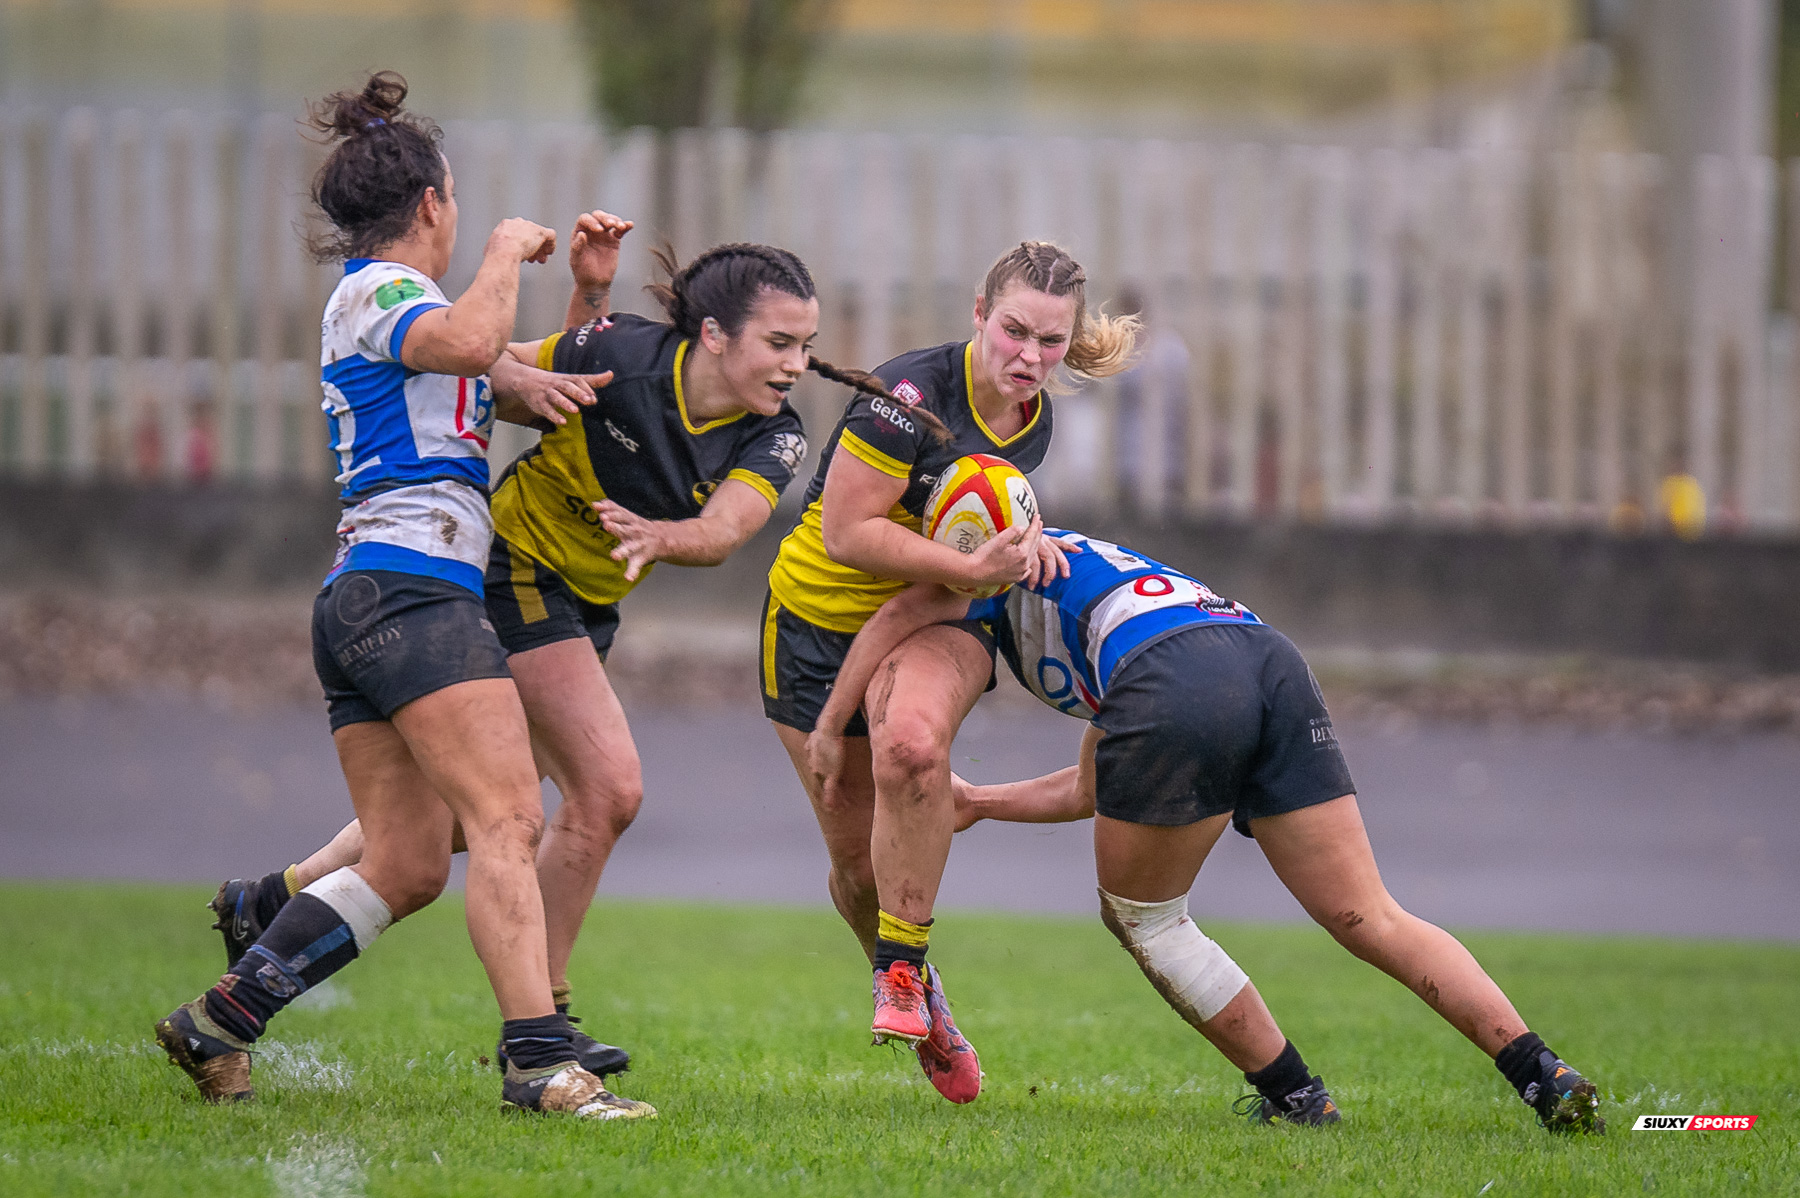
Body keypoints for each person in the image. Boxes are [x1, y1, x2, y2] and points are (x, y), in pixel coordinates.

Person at [208, 220, 902, 1080]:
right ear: (714, 335)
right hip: (514, 570)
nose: (797, 363)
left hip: (583, 608)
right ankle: (547, 1018)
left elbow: (728, 531)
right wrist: (571, 326)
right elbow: (497, 369)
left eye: (807, 345)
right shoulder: (626, 353)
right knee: (605, 789)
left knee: (461, 817)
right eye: (780, 342)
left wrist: (663, 534)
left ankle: (275, 897)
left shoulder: (776, 432)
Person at [154, 72, 653, 1120]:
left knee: (412, 860)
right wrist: (509, 251)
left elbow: (544, 384)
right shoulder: (378, 291)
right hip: (411, 592)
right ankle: (537, 1062)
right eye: (459, 202)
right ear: (432, 204)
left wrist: (593, 296)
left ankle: (218, 1021)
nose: (466, 218)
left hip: (376, 599)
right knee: (511, 815)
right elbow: (478, 344)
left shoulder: (421, 316)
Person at [805, 529, 1606, 1134]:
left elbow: (897, 618)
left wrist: (830, 724)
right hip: (1264, 659)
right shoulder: (1093, 572)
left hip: (1175, 681)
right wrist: (981, 802)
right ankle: (1542, 1072)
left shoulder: (985, 563)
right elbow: (1098, 783)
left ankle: (1297, 1099)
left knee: (1146, 919)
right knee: (1371, 914)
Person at [763, 242, 1140, 1103]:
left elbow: (970, 536)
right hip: (813, 626)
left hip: (937, 612)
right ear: (979, 313)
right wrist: (974, 564)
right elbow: (847, 537)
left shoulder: (1031, 416)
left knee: (913, 749)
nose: (1029, 359)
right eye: (1014, 332)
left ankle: (901, 964)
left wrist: (1014, 547)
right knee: (857, 869)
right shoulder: (908, 403)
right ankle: (921, 993)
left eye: (1051, 342)